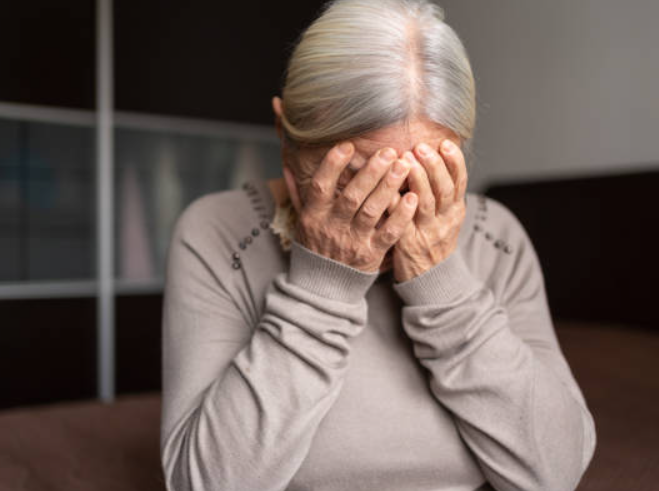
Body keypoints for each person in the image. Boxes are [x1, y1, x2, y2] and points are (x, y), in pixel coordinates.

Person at [160, 0, 597, 490]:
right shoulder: (218, 232)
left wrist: (442, 283)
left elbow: (556, 473)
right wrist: (323, 285)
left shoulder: (497, 236)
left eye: (421, 179)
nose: (388, 214)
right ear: (285, 137)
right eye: (357, 179)